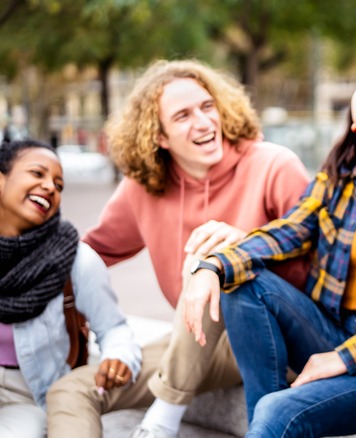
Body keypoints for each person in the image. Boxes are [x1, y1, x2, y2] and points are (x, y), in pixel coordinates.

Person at [45, 59, 310, 438]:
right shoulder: (145, 187)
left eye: (206, 107)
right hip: (196, 340)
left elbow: (319, 262)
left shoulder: (273, 165)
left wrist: (245, 248)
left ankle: (161, 419)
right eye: (183, 115)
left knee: (208, 261)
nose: (203, 122)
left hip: (271, 337)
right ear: (159, 136)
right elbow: (90, 252)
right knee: (70, 391)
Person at [181, 68, 356, 437]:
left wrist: (342, 358)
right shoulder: (334, 181)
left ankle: (271, 418)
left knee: (277, 412)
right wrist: (213, 267)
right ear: (352, 122)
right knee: (242, 282)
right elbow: (287, 232)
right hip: (329, 332)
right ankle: (268, 418)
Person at [0, 139, 141, 437]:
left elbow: (115, 328)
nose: (50, 187)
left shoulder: (75, 260)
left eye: (59, 184)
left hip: (26, 397)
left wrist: (119, 357)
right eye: (37, 174)